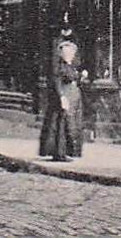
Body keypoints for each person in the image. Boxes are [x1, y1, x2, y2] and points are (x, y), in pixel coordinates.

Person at [38, 29, 85, 161]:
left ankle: (67, 152)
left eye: (71, 53)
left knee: (71, 125)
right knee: (61, 125)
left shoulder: (71, 66)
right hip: (65, 96)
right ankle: (59, 153)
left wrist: (81, 76)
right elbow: (57, 81)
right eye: (66, 53)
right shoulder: (60, 67)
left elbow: (74, 78)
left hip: (74, 97)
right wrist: (62, 97)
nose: (69, 55)